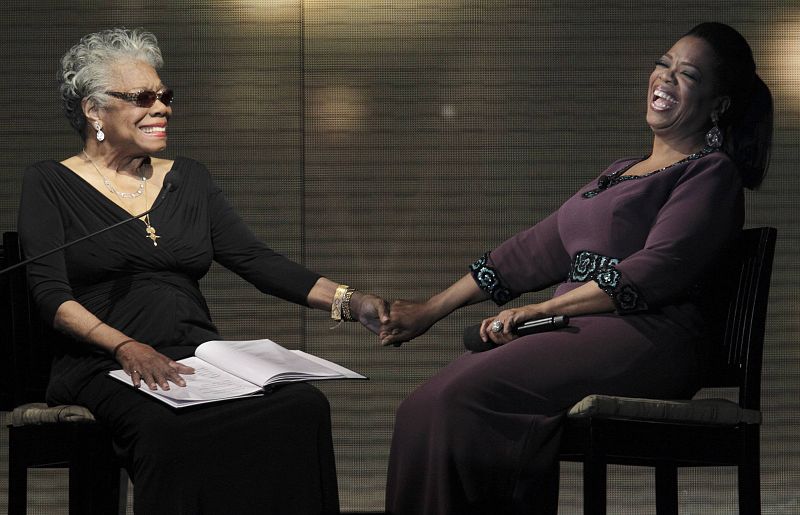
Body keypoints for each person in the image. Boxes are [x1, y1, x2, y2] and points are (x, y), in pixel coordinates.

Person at [379, 22, 773, 515]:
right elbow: (527, 252)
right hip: (577, 329)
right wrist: (429, 310)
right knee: (422, 406)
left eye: (688, 74)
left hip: (648, 337)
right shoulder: (617, 172)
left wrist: (541, 309)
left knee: (462, 401)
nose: (666, 78)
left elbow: (657, 269)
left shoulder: (710, 172)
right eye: (663, 64)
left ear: (719, 104)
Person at [18, 28, 388, 515]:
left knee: (302, 407)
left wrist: (350, 301)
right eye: (143, 98)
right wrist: (126, 346)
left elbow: (257, 261)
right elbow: (52, 297)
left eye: (164, 96)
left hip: (195, 357)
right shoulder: (50, 181)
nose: (162, 108)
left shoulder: (188, 178)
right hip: (106, 361)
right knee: (168, 427)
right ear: (94, 110)